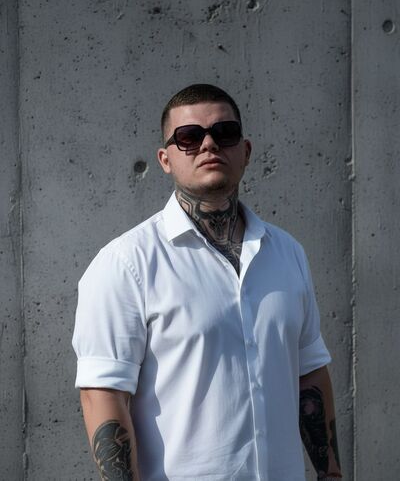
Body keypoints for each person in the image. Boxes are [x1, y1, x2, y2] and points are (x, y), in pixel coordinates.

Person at [72, 83, 343, 481]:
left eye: (224, 132)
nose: (209, 144)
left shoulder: (287, 253)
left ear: (245, 151)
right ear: (165, 159)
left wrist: (331, 474)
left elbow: (310, 374)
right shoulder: (127, 263)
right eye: (189, 137)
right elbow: (104, 394)